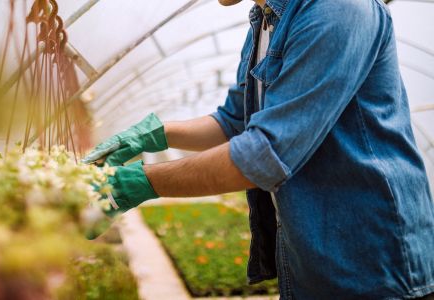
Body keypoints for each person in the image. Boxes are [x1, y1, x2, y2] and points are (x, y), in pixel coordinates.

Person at [83, 0, 434, 298]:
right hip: (313, 256)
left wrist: (137, 183)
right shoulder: (265, 23)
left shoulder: (337, 9)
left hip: (372, 264)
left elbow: (265, 153)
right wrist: (152, 135)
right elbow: (234, 121)